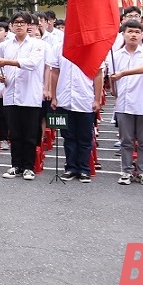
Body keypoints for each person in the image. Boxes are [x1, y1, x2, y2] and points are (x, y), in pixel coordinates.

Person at [0, 11, 46, 180]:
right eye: (15, 22)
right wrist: (2, 76)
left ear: (28, 25)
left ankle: (28, 166)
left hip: (30, 96)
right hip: (11, 94)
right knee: (14, 133)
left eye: (22, 22)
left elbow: (31, 63)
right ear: (11, 25)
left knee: (30, 134)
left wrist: (7, 63)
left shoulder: (37, 44)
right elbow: (0, 67)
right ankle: (15, 165)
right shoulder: (6, 45)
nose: (19, 25)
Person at [110, 20, 143, 186]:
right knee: (126, 141)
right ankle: (126, 171)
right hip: (124, 103)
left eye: (137, 32)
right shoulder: (116, 56)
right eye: (130, 31)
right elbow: (112, 81)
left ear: (142, 35)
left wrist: (123, 73)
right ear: (123, 34)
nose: (133, 35)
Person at [50, 43, 103, 183]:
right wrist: (54, 96)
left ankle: (84, 169)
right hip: (64, 99)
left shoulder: (93, 48)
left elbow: (98, 74)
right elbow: (55, 72)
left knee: (85, 138)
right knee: (68, 137)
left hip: (85, 100)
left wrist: (97, 99)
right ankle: (71, 167)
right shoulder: (60, 47)